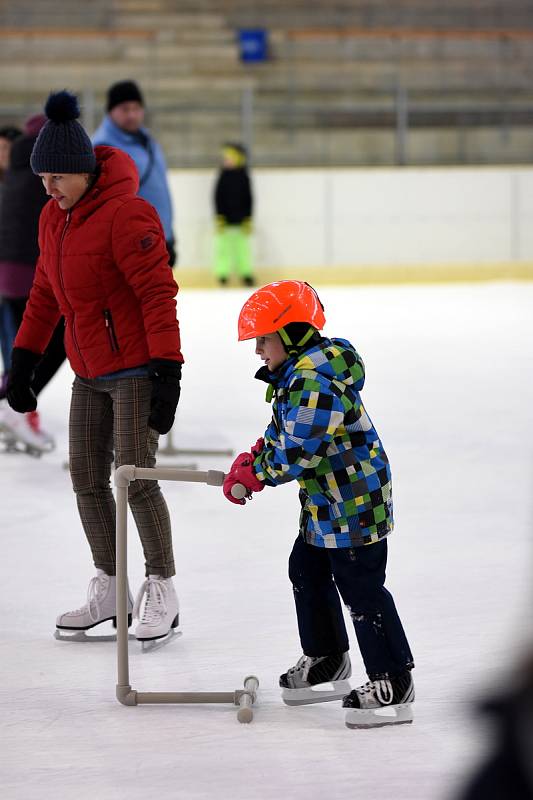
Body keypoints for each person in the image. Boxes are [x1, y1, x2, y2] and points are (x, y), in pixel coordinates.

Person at [5, 90, 184, 644]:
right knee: (86, 479)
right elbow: (43, 294)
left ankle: (163, 589)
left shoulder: (128, 214)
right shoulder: (51, 220)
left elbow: (158, 294)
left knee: (135, 478)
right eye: (42, 178)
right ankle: (110, 586)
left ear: (83, 171)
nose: (48, 187)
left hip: (134, 369)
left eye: (57, 176)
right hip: (89, 371)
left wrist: (167, 371)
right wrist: (25, 363)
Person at [223, 280, 414, 728]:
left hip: (353, 502)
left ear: (290, 334)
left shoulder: (313, 379)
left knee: (361, 588)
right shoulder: (298, 375)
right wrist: (256, 454)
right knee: (306, 569)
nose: (258, 352)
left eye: (263, 340)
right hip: (328, 500)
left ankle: (393, 680)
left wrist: (258, 474)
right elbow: (284, 431)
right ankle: (328, 657)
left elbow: (298, 450)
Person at [0, 113, 65, 452]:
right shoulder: (43, 174)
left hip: (10, 277)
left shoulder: (17, 169)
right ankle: (14, 405)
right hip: (29, 275)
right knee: (50, 343)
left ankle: (13, 403)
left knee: (22, 348)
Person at [92, 80, 177, 269]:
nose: (131, 114)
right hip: (132, 244)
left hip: (158, 236)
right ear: (110, 111)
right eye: (124, 109)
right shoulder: (103, 148)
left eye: (136, 108)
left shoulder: (147, 140)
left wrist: (168, 235)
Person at [0, 124, 22, 403]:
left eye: (8, 149)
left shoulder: (26, 185)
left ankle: (13, 399)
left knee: (13, 339)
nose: (4, 154)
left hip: (11, 278)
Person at [213, 142, 254, 287]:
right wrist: (219, 217)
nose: (226, 160)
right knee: (223, 249)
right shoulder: (223, 176)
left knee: (242, 248)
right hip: (225, 221)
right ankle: (222, 274)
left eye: (229, 157)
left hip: (241, 220)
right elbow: (217, 197)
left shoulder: (244, 176)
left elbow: (249, 198)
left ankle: (246, 274)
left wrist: (248, 218)